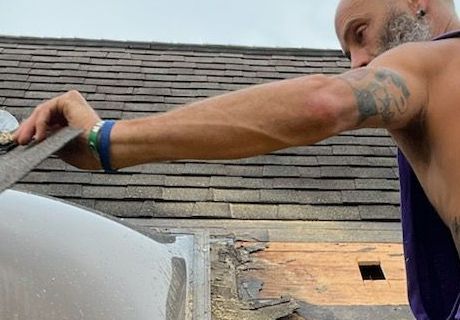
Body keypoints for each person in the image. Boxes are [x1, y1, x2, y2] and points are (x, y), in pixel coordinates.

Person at [12, 0, 460, 318]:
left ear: (418, 2)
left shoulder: (434, 66)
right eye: (348, 54)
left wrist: (105, 139)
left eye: (360, 34)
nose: (357, 63)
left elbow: (324, 102)